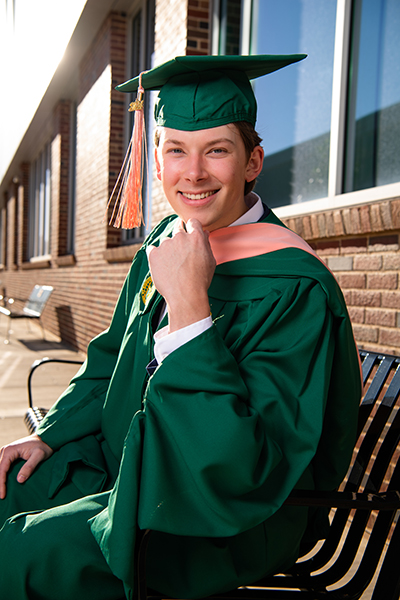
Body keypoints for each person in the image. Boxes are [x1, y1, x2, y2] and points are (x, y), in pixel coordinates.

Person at [0, 55, 361, 600]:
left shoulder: (293, 287)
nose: (193, 173)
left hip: (214, 515)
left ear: (252, 161)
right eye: (175, 150)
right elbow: (108, 360)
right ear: (157, 160)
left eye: (216, 150)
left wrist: (191, 305)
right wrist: (49, 434)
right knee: (8, 490)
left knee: (19, 555)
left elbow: (242, 471)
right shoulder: (163, 242)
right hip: (126, 466)